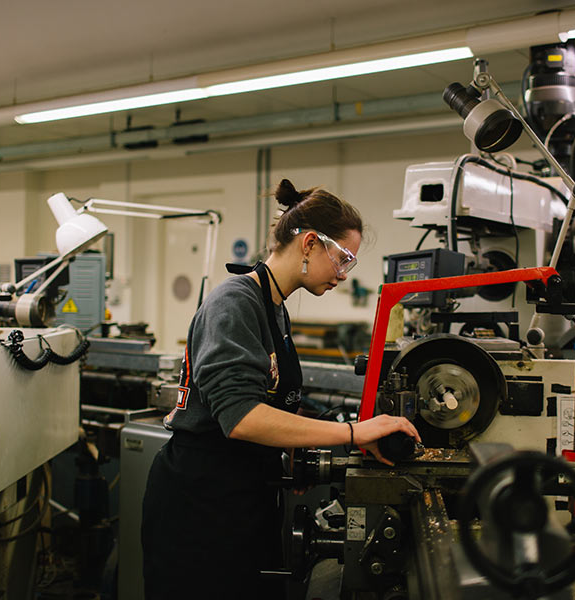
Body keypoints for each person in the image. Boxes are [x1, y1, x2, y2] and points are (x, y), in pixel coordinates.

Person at [141, 178, 421, 599]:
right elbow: (240, 417)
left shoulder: (274, 310)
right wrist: (351, 433)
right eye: (343, 259)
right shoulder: (235, 303)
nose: (343, 275)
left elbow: (267, 401)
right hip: (200, 505)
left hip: (243, 496)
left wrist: (292, 446)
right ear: (309, 243)